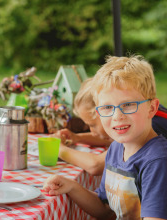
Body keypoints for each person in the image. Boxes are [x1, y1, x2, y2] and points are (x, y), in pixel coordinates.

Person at [44, 55, 167, 219]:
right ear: (98, 113)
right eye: (108, 107)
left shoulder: (157, 161)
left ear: (152, 108)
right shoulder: (116, 148)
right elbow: (106, 209)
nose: (117, 116)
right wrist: (71, 186)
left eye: (128, 105)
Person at [52, 77, 167, 176]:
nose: (92, 131)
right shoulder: (141, 114)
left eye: (92, 125)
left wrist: (59, 149)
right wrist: (77, 137)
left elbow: (96, 165)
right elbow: (109, 139)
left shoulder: (150, 127)